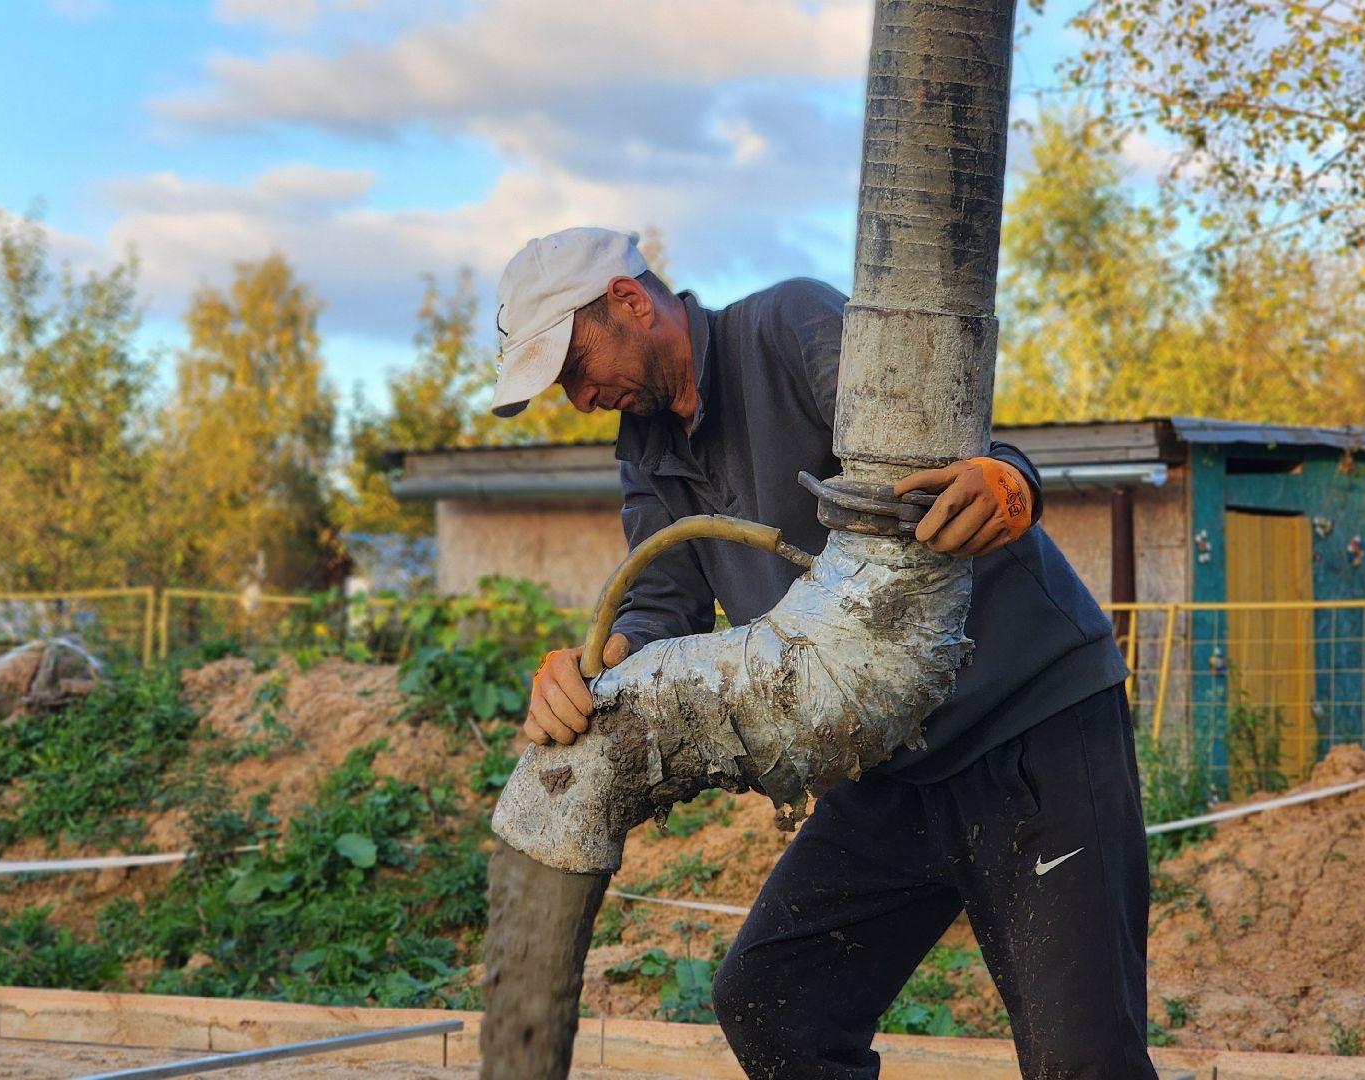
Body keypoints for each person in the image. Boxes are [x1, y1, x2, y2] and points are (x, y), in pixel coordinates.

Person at [491, 227, 1158, 1080]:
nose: (580, 397)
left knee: (1084, 1062)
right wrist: (592, 668)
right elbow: (664, 601)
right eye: (562, 387)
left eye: (575, 366)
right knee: (775, 1004)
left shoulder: (790, 324)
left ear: (629, 300)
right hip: (888, 769)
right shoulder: (647, 450)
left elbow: (943, 447)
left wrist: (1010, 477)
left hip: (1030, 730)